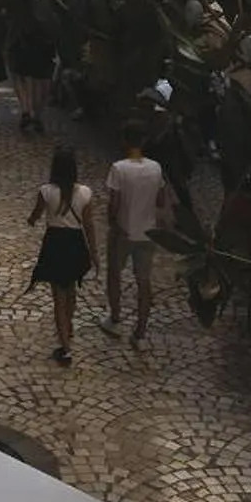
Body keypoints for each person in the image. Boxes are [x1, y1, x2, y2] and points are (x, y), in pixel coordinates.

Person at [99, 121, 176, 346]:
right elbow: (161, 200)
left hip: (124, 231)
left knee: (115, 274)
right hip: (148, 233)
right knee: (144, 281)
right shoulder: (155, 168)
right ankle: (140, 331)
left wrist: (113, 224)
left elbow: (113, 204)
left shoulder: (119, 168)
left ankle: (115, 318)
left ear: (124, 141)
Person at [25, 144, 95, 365]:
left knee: (58, 297)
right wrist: (95, 254)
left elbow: (35, 215)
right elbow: (90, 226)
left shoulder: (46, 192)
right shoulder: (85, 193)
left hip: (55, 244)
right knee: (71, 287)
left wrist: (32, 220)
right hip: (75, 244)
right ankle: (69, 325)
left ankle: (65, 347)